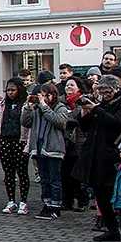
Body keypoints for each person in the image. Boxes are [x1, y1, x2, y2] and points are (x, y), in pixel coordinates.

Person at [74, 74, 121, 242]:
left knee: (117, 196)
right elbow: (86, 126)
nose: (104, 94)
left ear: (116, 89)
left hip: (116, 157)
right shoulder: (101, 104)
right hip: (97, 156)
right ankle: (112, 230)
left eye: (107, 90)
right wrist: (85, 111)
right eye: (101, 90)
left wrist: (96, 109)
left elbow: (117, 123)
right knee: (100, 196)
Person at [22, 82, 70, 220]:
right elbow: (25, 123)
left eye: (45, 95)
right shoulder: (37, 109)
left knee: (54, 180)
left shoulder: (60, 107)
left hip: (54, 149)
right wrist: (27, 107)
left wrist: (44, 106)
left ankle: (55, 207)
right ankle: (47, 204)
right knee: (44, 180)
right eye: (40, 95)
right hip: (39, 148)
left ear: (53, 95)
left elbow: (59, 122)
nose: (42, 98)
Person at [0, 78, 31, 215]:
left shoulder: (25, 104)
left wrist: (28, 144)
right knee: (8, 172)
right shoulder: (3, 104)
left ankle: (23, 202)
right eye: (8, 90)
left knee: (22, 172)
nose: (10, 93)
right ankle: (11, 201)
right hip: (5, 140)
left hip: (20, 140)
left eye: (13, 90)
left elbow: (29, 124)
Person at [62, 78, 90, 213]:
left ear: (78, 88)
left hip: (80, 142)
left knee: (78, 175)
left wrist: (68, 117)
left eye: (72, 85)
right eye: (67, 85)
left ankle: (82, 200)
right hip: (65, 143)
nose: (69, 87)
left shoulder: (83, 102)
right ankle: (67, 200)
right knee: (65, 174)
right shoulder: (61, 103)